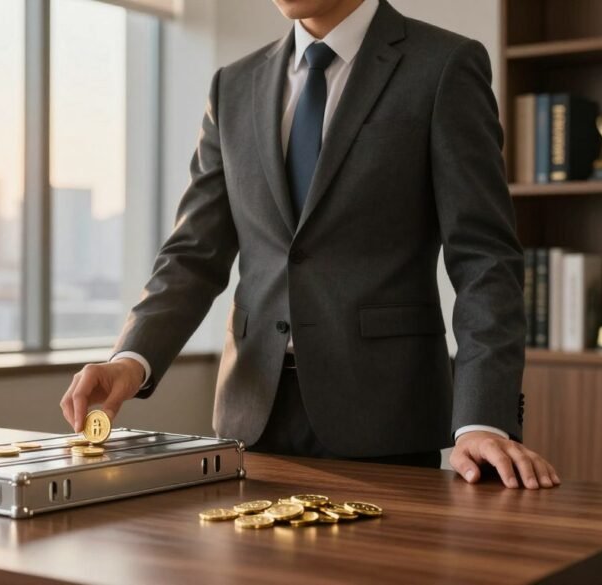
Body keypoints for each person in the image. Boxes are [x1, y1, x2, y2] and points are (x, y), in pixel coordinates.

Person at [60, 0, 560, 489]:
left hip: (386, 419)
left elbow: (485, 259)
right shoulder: (232, 85)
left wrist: (482, 420)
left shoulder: (443, 66)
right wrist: (130, 359)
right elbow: (193, 254)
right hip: (251, 418)